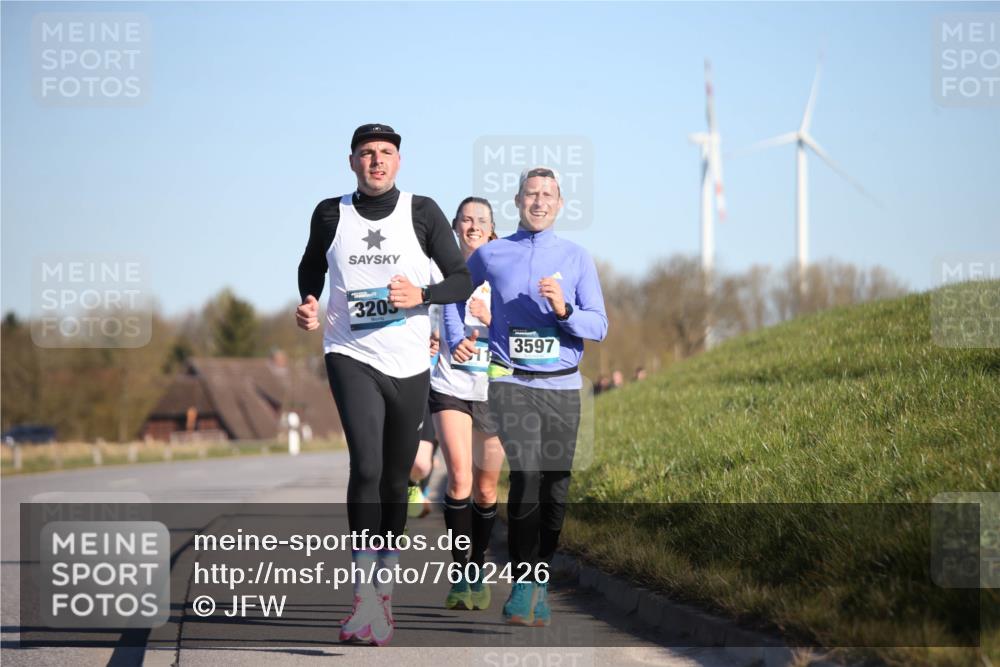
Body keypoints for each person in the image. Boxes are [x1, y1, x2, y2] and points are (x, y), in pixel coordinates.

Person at [296, 123, 472, 646]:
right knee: (366, 465)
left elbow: (461, 279)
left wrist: (422, 293)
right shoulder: (331, 212)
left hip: (410, 361)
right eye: (367, 153)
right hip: (349, 352)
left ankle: (384, 589)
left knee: (396, 479)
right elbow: (310, 268)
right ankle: (362, 596)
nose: (377, 161)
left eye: (387, 154)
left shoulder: (422, 211)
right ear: (352, 161)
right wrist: (308, 302)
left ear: (399, 162)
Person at [453, 166, 607, 627]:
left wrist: (564, 310)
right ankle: (522, 582)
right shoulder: (492, 254)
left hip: (563, 383)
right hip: (511, 380)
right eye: (531, 194)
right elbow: (453, 293)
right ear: (518, 202)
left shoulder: (577, 258)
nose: (539, 201)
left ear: (560, 205)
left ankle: (538, 575)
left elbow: (599, 326)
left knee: (556, 488)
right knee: (527, 473)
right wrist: (460, 332)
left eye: (548, 195)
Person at [430, 197, 505, 611]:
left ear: (492, 227)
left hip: (492, 388)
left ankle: (477, 564)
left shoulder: (503, 272)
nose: (473, 226)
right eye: (466, 219)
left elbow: (524, 331)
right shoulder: (439, 268)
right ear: (456, 225)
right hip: (449, 385)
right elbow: (421, 310)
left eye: (481, 220)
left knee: (486, 487)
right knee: (459, 479)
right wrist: (428, 336)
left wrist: (490, 318)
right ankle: (461, 575)